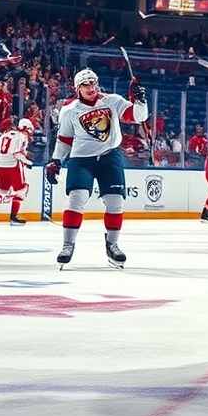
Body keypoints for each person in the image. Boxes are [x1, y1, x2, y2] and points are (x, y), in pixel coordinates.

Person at [47, 68, 148, 270]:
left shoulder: (112, 101)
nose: (91, 88)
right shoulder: (69, 110)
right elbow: (65, 139)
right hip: (81, 159)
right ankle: (68, 244)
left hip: (110, 157)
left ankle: (112, 245)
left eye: (93, 83)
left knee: (115, 202)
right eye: (85, 85)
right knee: (77, 198)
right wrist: (56, 160)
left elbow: (138, 117)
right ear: (77, 88)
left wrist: (140, 101)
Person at [0, 118, 35, 225]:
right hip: (12, 166)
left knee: (2, 190)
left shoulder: (5, 134)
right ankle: (14, 217)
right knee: (22, 189)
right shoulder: (20, 135)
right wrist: (28, 162)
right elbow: (16, 154)